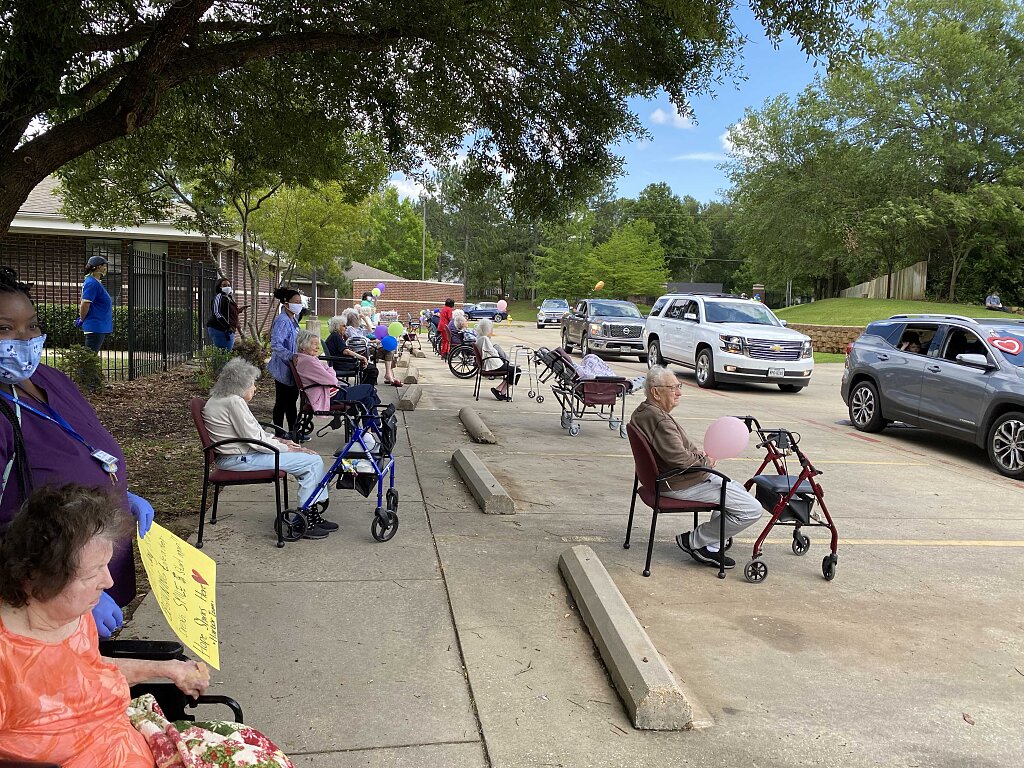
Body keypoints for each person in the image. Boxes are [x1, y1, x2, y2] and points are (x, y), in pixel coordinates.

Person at [0, 483, 294, 768]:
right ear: (37, 579)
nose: (108, 582)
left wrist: (169, 669)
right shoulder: (6, 659)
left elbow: (90, 669)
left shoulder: (71, 615)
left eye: (106, 566)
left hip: (130, 740)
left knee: (261, 755)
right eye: (92, 575)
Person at [0, 267, 155, 637]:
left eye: (32, 325)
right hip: (46, 600)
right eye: (5, 328)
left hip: (96, 580)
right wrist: (64, 591)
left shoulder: (50, 379)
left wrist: (118, 493)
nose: (25, 338)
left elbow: (81, 449)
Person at [629, 366, 764, 571]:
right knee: (752, 509)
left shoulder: (643, 412)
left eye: (679, 387)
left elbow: (674, 452)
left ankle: (711, 547)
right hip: (679, 482)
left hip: (670, 478)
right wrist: (705, 461)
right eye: (673, 388)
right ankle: (694, 541)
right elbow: (679, 459)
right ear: (656, 392)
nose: (679, 392)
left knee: (736, 489)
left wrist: (699, 457)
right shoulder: (660, 420)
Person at [202, 358, 335, 537]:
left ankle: (310, 513)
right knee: (312, 461)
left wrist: (282, 442)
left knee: (310, 460)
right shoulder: (233, 402)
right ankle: (304, 520)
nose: (254, 388)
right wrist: (289, 449)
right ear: (241, 385)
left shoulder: (220, 399)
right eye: (252, 384)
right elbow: (254, 439)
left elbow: (254, 432)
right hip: (239, 459)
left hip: (238, 456)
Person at [293, 329, 381, 416]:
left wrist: (328, 370)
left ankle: (372, 424)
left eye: (317, 344)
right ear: (303, 346)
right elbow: (332, 380)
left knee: (368, 400)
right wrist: (330, 370)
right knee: (369, 389)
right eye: (314, 344)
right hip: (329, 397)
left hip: (330, 393)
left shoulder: (304, 359)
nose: (318, 347)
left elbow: (328, 374)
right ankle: (378, 418)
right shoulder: (309, 362)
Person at [268, 286, 305, 441]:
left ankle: (292, 432)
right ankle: (279, 433)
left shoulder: (293, 319)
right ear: (286, 304)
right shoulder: (282, 320)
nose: (299, 305)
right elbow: (276, 344)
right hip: (282, 368)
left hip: (292, 368)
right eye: (296, 302)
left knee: (291, 401)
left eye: (300, 301)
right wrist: (290, 355)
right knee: (282, 402)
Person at [323, 314, 378, 386]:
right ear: (337, 327)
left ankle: (364, 388)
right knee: (372, 370)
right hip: (342, 364)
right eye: (344, 326)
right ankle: (365, 389)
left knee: (369, 367)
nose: (346, 328)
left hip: (340, 363)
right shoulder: (336, 337)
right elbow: (346, 351)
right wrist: (362, 357)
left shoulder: (334, 336)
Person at [475, 317, 521, 401]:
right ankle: (500, 390)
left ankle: (500, 390)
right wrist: (500, 358)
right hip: (492, 364)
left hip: (487, 363)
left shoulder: (479, 338)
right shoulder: (485, 339)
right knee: (517, 371)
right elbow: (493, 352)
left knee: (512, 369)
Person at [75, 255, 114, 353]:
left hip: (98, 326)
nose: (105, 268)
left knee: (90, 357)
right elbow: (85, 303)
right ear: (98, 267)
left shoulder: (95, 282)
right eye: (104, 265)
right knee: (89, 358)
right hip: (95, 326)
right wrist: (82, 319)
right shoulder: (92, 283)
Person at [205, 277, 246, 350]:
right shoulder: (219, 297)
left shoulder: (229, 297)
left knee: (226, 352)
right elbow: (217, 313)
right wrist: (228, 327)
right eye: (224, 285)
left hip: (228, 329)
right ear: (219, 287)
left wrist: (239, 310)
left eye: (229, 285)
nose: (227, 287)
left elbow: (228, 311)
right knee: (224, 353)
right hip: (219, 329)